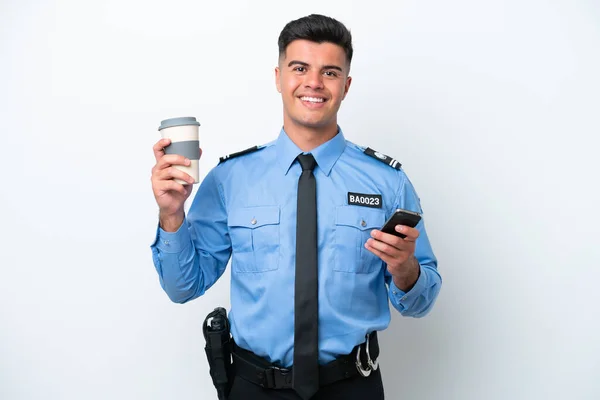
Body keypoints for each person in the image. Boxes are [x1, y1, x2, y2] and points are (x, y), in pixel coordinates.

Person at [150, 14, 441, 400]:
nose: (314, 83)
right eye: (300, 68)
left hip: (353, 388)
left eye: (330, 72)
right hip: (253, 388)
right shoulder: (230, 179)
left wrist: (405, 268)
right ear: (278, 77)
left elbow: (422, 302)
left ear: (346, 85)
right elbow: (183, 287)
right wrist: (171, 215)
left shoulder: (388, 183)